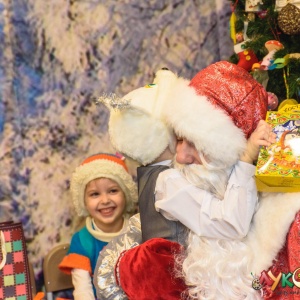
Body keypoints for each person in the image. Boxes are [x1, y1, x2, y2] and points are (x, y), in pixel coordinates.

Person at [94, 62, 276, 299]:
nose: (181, 156)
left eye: (196, 144)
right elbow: (231, 224)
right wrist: (246, 159)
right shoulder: (167, 182)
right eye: (179, 139)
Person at [58, 153, 138, 300]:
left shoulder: (138, 231)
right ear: (84, 202)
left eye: (113, 191)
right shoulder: (82, 241)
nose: (105, 200)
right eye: (95, 194)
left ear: (126, 194)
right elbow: (83, 291)